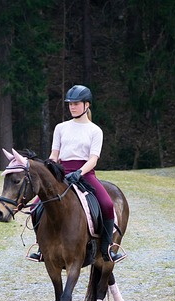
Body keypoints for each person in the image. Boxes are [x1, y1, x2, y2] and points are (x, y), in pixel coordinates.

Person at [30, 84, 122, 262]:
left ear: (87, 105)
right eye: (70, 104)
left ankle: (106, 249)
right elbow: (55, 154)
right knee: (35, 206)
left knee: (107, 205)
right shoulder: (61, 127)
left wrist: (80, 172)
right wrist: (50, 167)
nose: (72, 106)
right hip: (61, 173)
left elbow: (93, 159)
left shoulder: (95, 130)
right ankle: (42, 248)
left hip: (86, 174)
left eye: (76, 103)